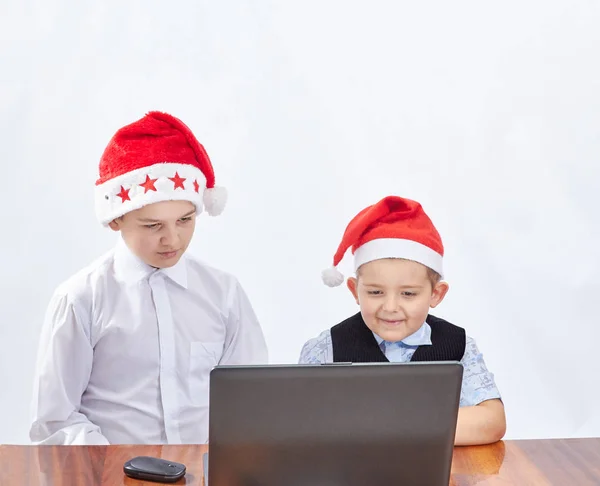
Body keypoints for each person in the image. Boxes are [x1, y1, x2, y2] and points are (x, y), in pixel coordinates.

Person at [30, 111, 268, 445]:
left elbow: (250, 403)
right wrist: (119, 471)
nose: (172, 239)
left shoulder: (224, 294)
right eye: (153, 225)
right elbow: (56, 420)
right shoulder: (81, 299)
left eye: (184, 220)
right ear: (116, 219)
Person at [299, 195, 506, 446]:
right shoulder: (326, 349)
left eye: (408, 294)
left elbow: (492, 422)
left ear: (436, 294)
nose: (390, 307)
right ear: (354, 291)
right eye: (375, 292)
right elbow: (304, 426)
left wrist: (387, 426)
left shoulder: (457, 346)